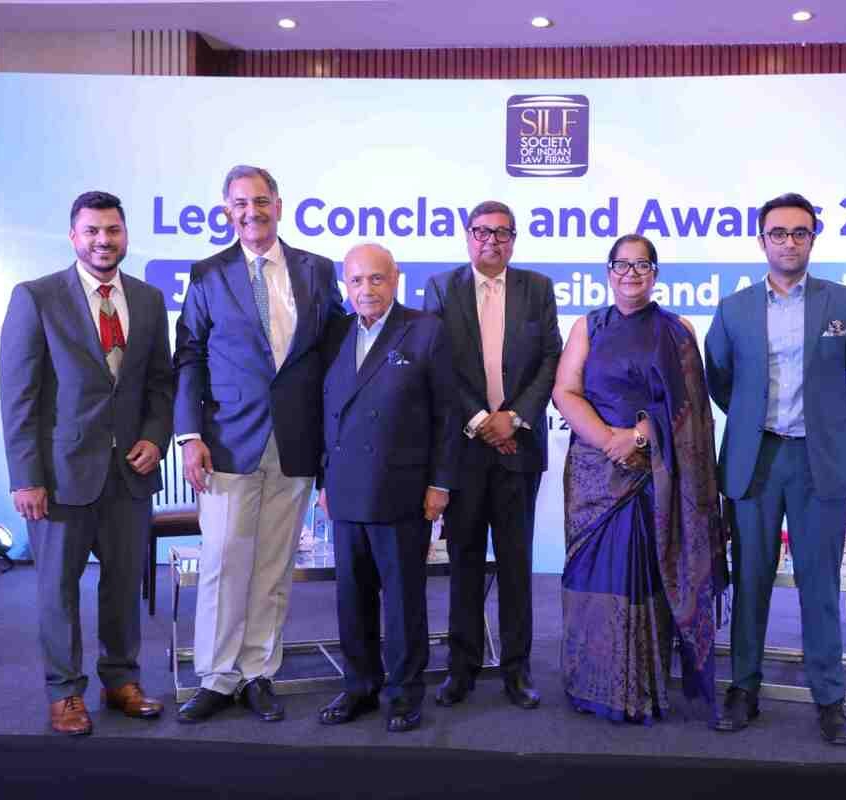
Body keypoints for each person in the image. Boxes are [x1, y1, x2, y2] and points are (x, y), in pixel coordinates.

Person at [705, 192, 846, 745]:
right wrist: (752, 422)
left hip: (818, 462)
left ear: (813, 239)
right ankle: (744, 688)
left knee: (819, 584)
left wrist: (835, 428)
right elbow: (720, 380)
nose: (789, 242)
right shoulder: (733, 309)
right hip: (755, 460)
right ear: (761, 240)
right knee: (750, 580)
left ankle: (829, 698)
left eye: (799, 232)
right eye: (778, 233)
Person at [172, 165, 344, 723]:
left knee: (273, 567)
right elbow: (189, 356)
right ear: (227, 212)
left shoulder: (317, 271)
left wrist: (334, 446)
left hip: (296, 441)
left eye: (261, 201)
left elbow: (335, 355)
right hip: (227, 441)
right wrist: (190, 435)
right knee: (224, 562)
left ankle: (258, 673)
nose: (252, 212)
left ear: (279, 205)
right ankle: (216, 677)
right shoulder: (208, 274)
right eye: (240, 204)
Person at [0, 190, 174, 736]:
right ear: (73, 236)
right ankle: (64, 693)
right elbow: (19, 396)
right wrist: (26, 477)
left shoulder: (148, 299)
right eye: (92, 231)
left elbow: (161, 384)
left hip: (130, 475)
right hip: (60, 477)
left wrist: (156, 438)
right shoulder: (36, 297)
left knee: (123, 586)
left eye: (113, 230)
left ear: (125, 236)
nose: (103, 240)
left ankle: (121, 681)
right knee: (58, 591)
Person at [551, 233, 727, 724]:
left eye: (642, 265)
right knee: (595, 574)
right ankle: (593, 683)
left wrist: (642, 435)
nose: (631, 273)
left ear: (655, 274)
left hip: (655, 475)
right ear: (608, 272)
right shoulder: (588, 326)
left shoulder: (677, 330)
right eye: (622, 265)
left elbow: (690, 408)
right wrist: (609, 439)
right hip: (595, 475)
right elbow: (565, 392)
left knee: (649, 575)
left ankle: (644, 688)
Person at [423, 200, 562, 710]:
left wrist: (514, 418)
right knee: (463, 561)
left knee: (516, 563)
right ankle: (461, 667)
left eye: (502, 233)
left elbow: (551, 358)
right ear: (468, 236)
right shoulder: (442, 287)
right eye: (482, 232)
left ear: (514, 240)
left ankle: (517, 669)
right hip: (463, 448)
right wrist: (483, 420)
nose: (492, 241)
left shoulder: (537, 288)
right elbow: (437, 363)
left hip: (519, 448)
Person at [316, 244, 459, 733]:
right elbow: (328, 411)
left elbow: (447, 415)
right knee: (351, 600)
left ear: (396, 279)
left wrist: (440, 483)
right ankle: (359, 687)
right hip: (345, 489)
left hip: (402, 490)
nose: (366, 290)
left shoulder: (425, 330)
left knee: (401, 602)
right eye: (356, 280)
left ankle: (402, 694)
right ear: (346, 285)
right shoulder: (336, 333)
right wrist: (325, 478)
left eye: (376, 279)